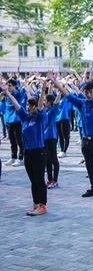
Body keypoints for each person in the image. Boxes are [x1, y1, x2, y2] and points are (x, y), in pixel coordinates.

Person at [48, 72, 93, 200]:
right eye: (86, 92)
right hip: (85, 140)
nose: (88, 94)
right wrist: (55, 81)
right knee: (89, 165)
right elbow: (67, 94)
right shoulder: (82, 103)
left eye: (90, 92)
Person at [0, 79, 47, 215]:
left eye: (31, 105)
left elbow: (40, 107)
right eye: (28, 105)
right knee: (33, 180)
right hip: (28, 153)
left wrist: (43, 91)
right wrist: (6, 92)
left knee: (39, 179)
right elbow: (16, 105)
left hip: (39, 152)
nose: (28, 107)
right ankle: (35, 203)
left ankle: (43, 205)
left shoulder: (39, 118)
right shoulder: (25, 118)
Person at [3, 78, 26, 167]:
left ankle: (21, 158)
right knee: (12, 140)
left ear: (15, 86)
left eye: (10, 86)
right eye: (7, 85)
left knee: (19, 140)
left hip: (16, 119)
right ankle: (13, 157)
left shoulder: (18, 94)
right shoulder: (6, 95)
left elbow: (23, 90)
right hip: (8, 119)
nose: (8, 87)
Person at [44, 92, 62, 189]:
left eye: (45, 100)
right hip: (44, 138)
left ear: (49, 102)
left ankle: (55, 180)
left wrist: (60, 90)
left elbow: (56, 103)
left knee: (53, 159)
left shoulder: (53, 110)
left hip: (51, 137)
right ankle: (50, 179)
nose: (44, 102)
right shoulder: (44, 111)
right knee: (47, 160)